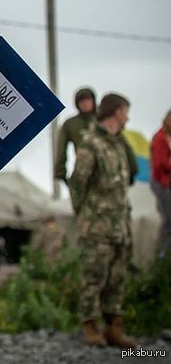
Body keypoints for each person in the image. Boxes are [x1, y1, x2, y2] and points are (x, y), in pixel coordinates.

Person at [68, 93, 137, 349]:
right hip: (97, 225)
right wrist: (85, 216)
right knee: (93, 275)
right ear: (117, 112)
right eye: (125, 111)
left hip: (119, 224)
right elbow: (77, 184)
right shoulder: (91, 143)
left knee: (117, 277)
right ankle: (90, 327)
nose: (127, 117)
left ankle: (114, 327)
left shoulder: (117, 144)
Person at [54, 87, 97, 183]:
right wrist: (60, 171)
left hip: (107, 170)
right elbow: (61, 149)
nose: (85, 103)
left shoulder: (103, 121)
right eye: (82, 101)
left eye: (88, 100)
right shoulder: (71, 124)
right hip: (83, 171)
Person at [149, 109, 171, 257]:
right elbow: (159, 164)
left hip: (166, 182)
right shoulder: (160, 138)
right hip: (161, 182)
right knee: (168, 218)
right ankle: (162, 252)